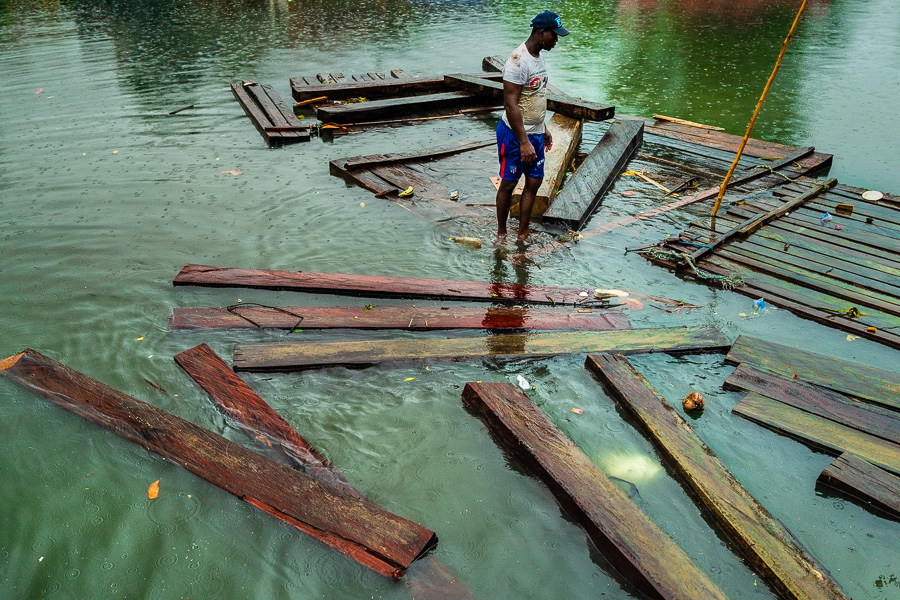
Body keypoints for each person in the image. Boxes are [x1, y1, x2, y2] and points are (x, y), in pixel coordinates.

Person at [495, 10, 569, 242]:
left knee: (534, 181)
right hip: (515, 135)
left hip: (535, 132)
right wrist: (525, 141)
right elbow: (511, 105)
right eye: (553, 35)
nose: (556, 40)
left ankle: (522, 233)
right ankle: (501, 233)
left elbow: (535, 96)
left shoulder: (539, 56)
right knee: (509, 183)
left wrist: (543, 127)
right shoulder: (518, 61)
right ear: (541, 32)